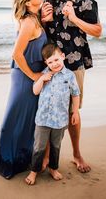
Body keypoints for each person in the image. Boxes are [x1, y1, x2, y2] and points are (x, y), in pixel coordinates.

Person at [41, 0, 102, 173]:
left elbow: (97, 31)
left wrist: (74, 18)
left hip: (74, 65)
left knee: (72, 112)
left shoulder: (84, 0)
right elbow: (42, 32)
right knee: (48, 107)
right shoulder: (48, 1)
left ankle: (76, 154)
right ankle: (47, 155)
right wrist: (44, 20)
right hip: (49, 65)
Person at [0, 0, 47, 179]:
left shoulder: (35, 18)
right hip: (25, 75)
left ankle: (22, 160)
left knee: (28, 119)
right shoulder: (27, 22)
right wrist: (34, 76)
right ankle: (8, 162)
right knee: (17, 117)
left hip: (31, 74)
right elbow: (16, 54)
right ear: (27, 2)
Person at [25, 43, 80, 185]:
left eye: (56, 60)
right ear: (46, 63)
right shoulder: (44, 74)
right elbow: (35, 91)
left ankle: (53, 168)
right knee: (39, 147)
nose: (54, 64)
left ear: (62, 57)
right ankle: (34, 171)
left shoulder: (70, 75)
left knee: (56, 146)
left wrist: (75, 112)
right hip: (43, 119)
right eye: (50, 62)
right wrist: (42, 79)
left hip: (60, 120)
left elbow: (75, 94)